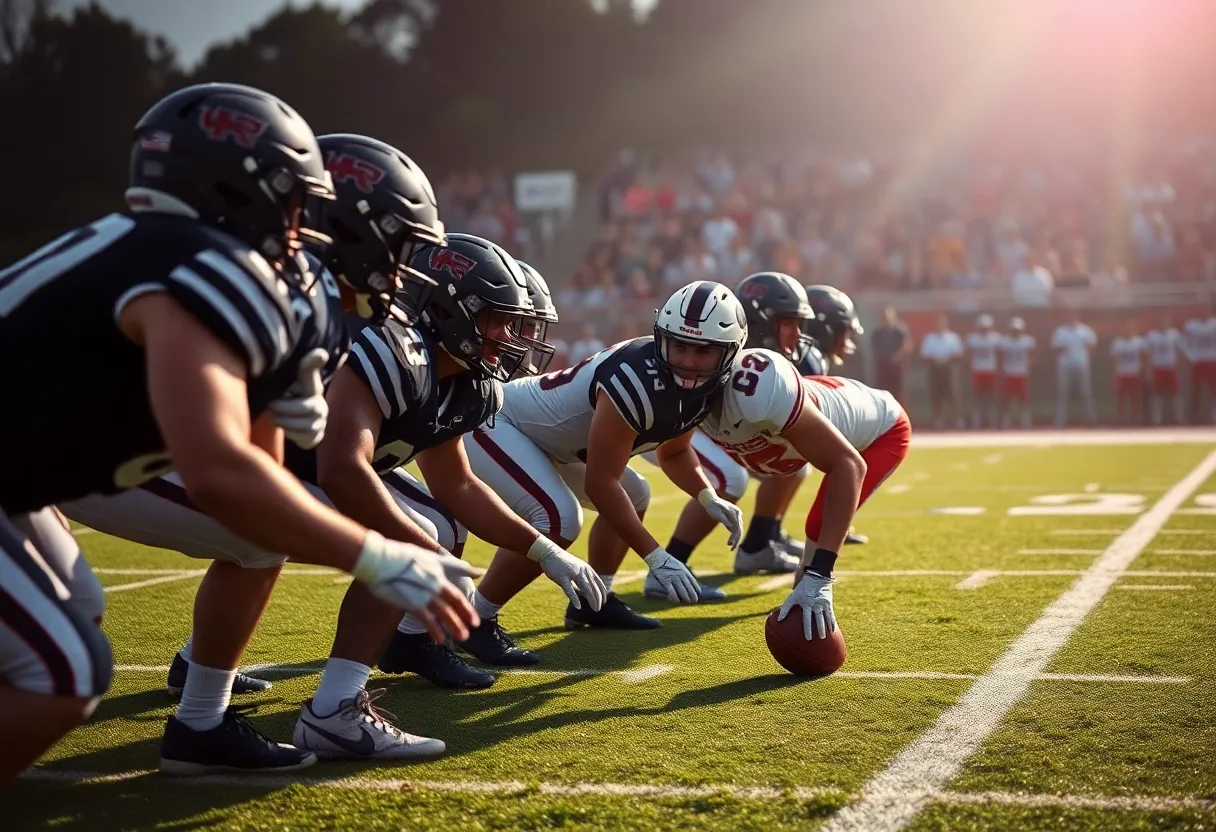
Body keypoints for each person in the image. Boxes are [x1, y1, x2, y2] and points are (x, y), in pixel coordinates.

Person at [0, 86, 475, 782]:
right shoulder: (200, 261)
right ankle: (202, 721)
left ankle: (202, 726)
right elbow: (220, 470)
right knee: (61, 669)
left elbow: (261, 480)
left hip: (27, 476)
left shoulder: (262, 285)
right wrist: (378, 556)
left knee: (78, 616)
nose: (305, 226)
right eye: (297, 204)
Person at [462, 281, 748, 637]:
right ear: (662, 338)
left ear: (728, 352)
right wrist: (656, 556)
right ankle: (476, 619)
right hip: (499, 422)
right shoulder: (636, 377)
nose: (688, 362)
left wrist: (708, 496)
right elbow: (600, 483)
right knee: (560, 518)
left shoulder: (706, 387)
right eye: (679, 346)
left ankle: (593, 602)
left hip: (555, 442)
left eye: (703, 351)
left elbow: (674, 452)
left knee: (636, 494)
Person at [697, 347, 910, 641]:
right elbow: (676, 452)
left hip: (884, 429)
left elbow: (847, 464)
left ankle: (808, 596)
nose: (690, 364)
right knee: (782, 471)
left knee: (820, 523)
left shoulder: (761, 394)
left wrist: (819, 575)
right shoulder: (690, 390)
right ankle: (760, 547)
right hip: (826, 413)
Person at [1051, 313, 1097, 426]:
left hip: (1081, 365)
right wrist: (1062, 349)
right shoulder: (1060, 331)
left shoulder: (1085, 331)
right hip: (1065, 366)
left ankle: (1091, 420)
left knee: (1086, 392)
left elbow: (1093, 343)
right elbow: (1054, 346)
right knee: (1063, 393)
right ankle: (1060, 421)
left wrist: (1086, 354)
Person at [920, 315, 964, 430]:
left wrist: (948, 359)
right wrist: (935, 360)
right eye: (938, 323)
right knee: (936, 396)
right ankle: (938, 421)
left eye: (942, 323)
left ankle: (959, 420)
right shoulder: (929, 338)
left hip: (949, 369)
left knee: (953, 395)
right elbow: (924, 355)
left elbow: (959, 353)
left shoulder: (953, 338)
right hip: (935, 370)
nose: (940, 325)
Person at [1144, 318, 1185, 425]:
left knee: (1175, 394)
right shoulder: (1152, 336)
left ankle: (1179, 418)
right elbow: (1149, 354)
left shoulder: (1174, 334)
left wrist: (1179, 367)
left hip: (1170, 367)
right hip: (1158, 367)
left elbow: (1178, 351)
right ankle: (1156, 420)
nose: (1163, 324)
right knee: (1156, 394)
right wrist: (1148, 370)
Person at [966, 314, 1003, 429]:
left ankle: (992, 419)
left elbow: (1000, 354)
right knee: (977, 396)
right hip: (977, 370)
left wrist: (999, 367)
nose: (984, 330)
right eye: (982, 327)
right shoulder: (972, 338)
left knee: (992, 396)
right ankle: (977, 419)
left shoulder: (996, 338)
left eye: (986, 327)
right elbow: (968, 354)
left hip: (990, 370)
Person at [999, 317, 1036, 429]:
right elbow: (1000, 356)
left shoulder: (1027, 341)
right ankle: (1006, 419)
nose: (1016, 332)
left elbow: (1033, 354)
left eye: (1017, 330)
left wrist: (1030, 364)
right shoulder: (1005, 342)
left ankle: (1025, 418)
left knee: (1024, 398)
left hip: (1022, 373)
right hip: (1009, 373)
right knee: (1007, 398)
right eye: (1014, 330)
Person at [870, 306, 912, 404]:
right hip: (882, 366)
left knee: (898, 392)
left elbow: (906, 345)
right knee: (882, 390)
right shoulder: (877, 332)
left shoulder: (899, 331)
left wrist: (898, 356)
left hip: (896, 366)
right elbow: (875, 347)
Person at [1110, 322, 1146, 426]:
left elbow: (1144, 356)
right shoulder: (1117, 343)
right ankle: (1120, 418)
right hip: (1122, 373)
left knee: (1135, 397)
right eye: (1126, 329)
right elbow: (1113, 360)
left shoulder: (1139, 342)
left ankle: (1136, 418)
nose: (1129, 331)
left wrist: (1143, 370)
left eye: (1131, 329)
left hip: (1135, 372)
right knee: (1121, 397)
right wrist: (1113, 374)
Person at [1184, 309, 1216, 424]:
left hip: (1212, 360)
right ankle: (1194, 416)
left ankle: (1213, 415)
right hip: (1198, 361)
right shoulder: (1191, 326)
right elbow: (1185, 343)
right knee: (1196, 390)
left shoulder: (1213, 324)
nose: (1204, 313)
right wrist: (1191, 356)